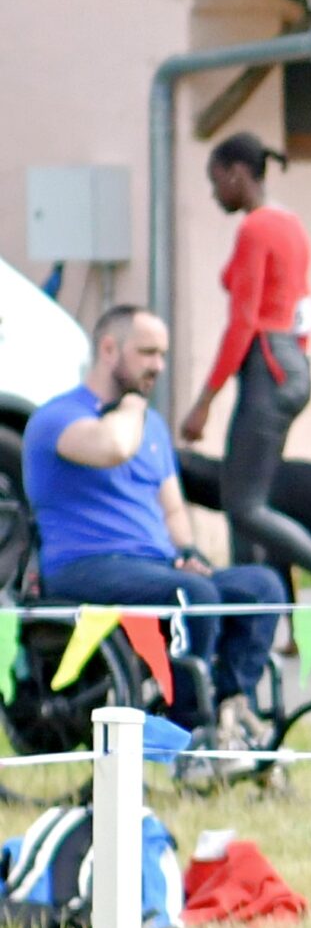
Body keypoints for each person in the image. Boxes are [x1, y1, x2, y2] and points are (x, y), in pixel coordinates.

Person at [21, 305, 285, 753]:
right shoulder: (57, 418)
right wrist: (131, 406)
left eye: (162, 354)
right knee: (193, 595)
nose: (158, 366)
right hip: (85, 566)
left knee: (261, 586)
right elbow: (114, 447)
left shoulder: (152, 426)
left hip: (157, 567)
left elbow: (173, 509)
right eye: (147, 353)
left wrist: (189, 552)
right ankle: (188, 732)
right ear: (109, 350)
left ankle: (231, 708)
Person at [176, 131, 311, 636]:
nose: (214, 193)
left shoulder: (255, 229)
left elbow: (242, 323)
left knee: (243, 505)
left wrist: (204, 401)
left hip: (268, 366)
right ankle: (247, 621)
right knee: (243, 503)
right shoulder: (290, 224)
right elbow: (301, 309)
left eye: (216, 181)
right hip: (289, 363)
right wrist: (293, 364)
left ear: (237, 174)